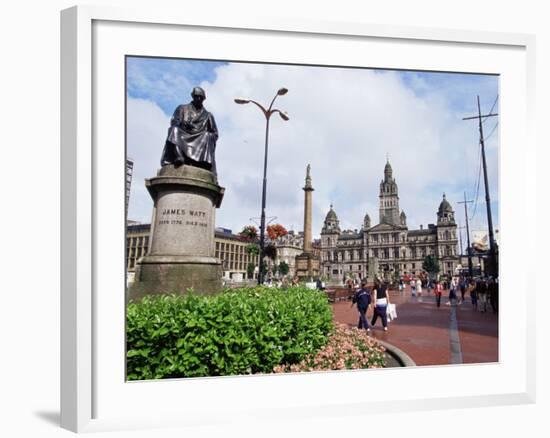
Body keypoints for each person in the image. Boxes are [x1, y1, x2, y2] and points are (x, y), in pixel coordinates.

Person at [160, 87, 219, 178]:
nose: (199, 99)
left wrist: (208, 135)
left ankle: (201, 162)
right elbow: (174, 121)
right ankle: (179, 156)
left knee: (207, 135)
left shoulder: (208, 115)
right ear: (193, 96)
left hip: (200, 137)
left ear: (203, 99)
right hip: (183, 133)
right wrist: (184, 125)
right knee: (174, 129)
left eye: (201, 97)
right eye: (196, 96)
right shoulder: (182, 108)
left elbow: (215, 133)